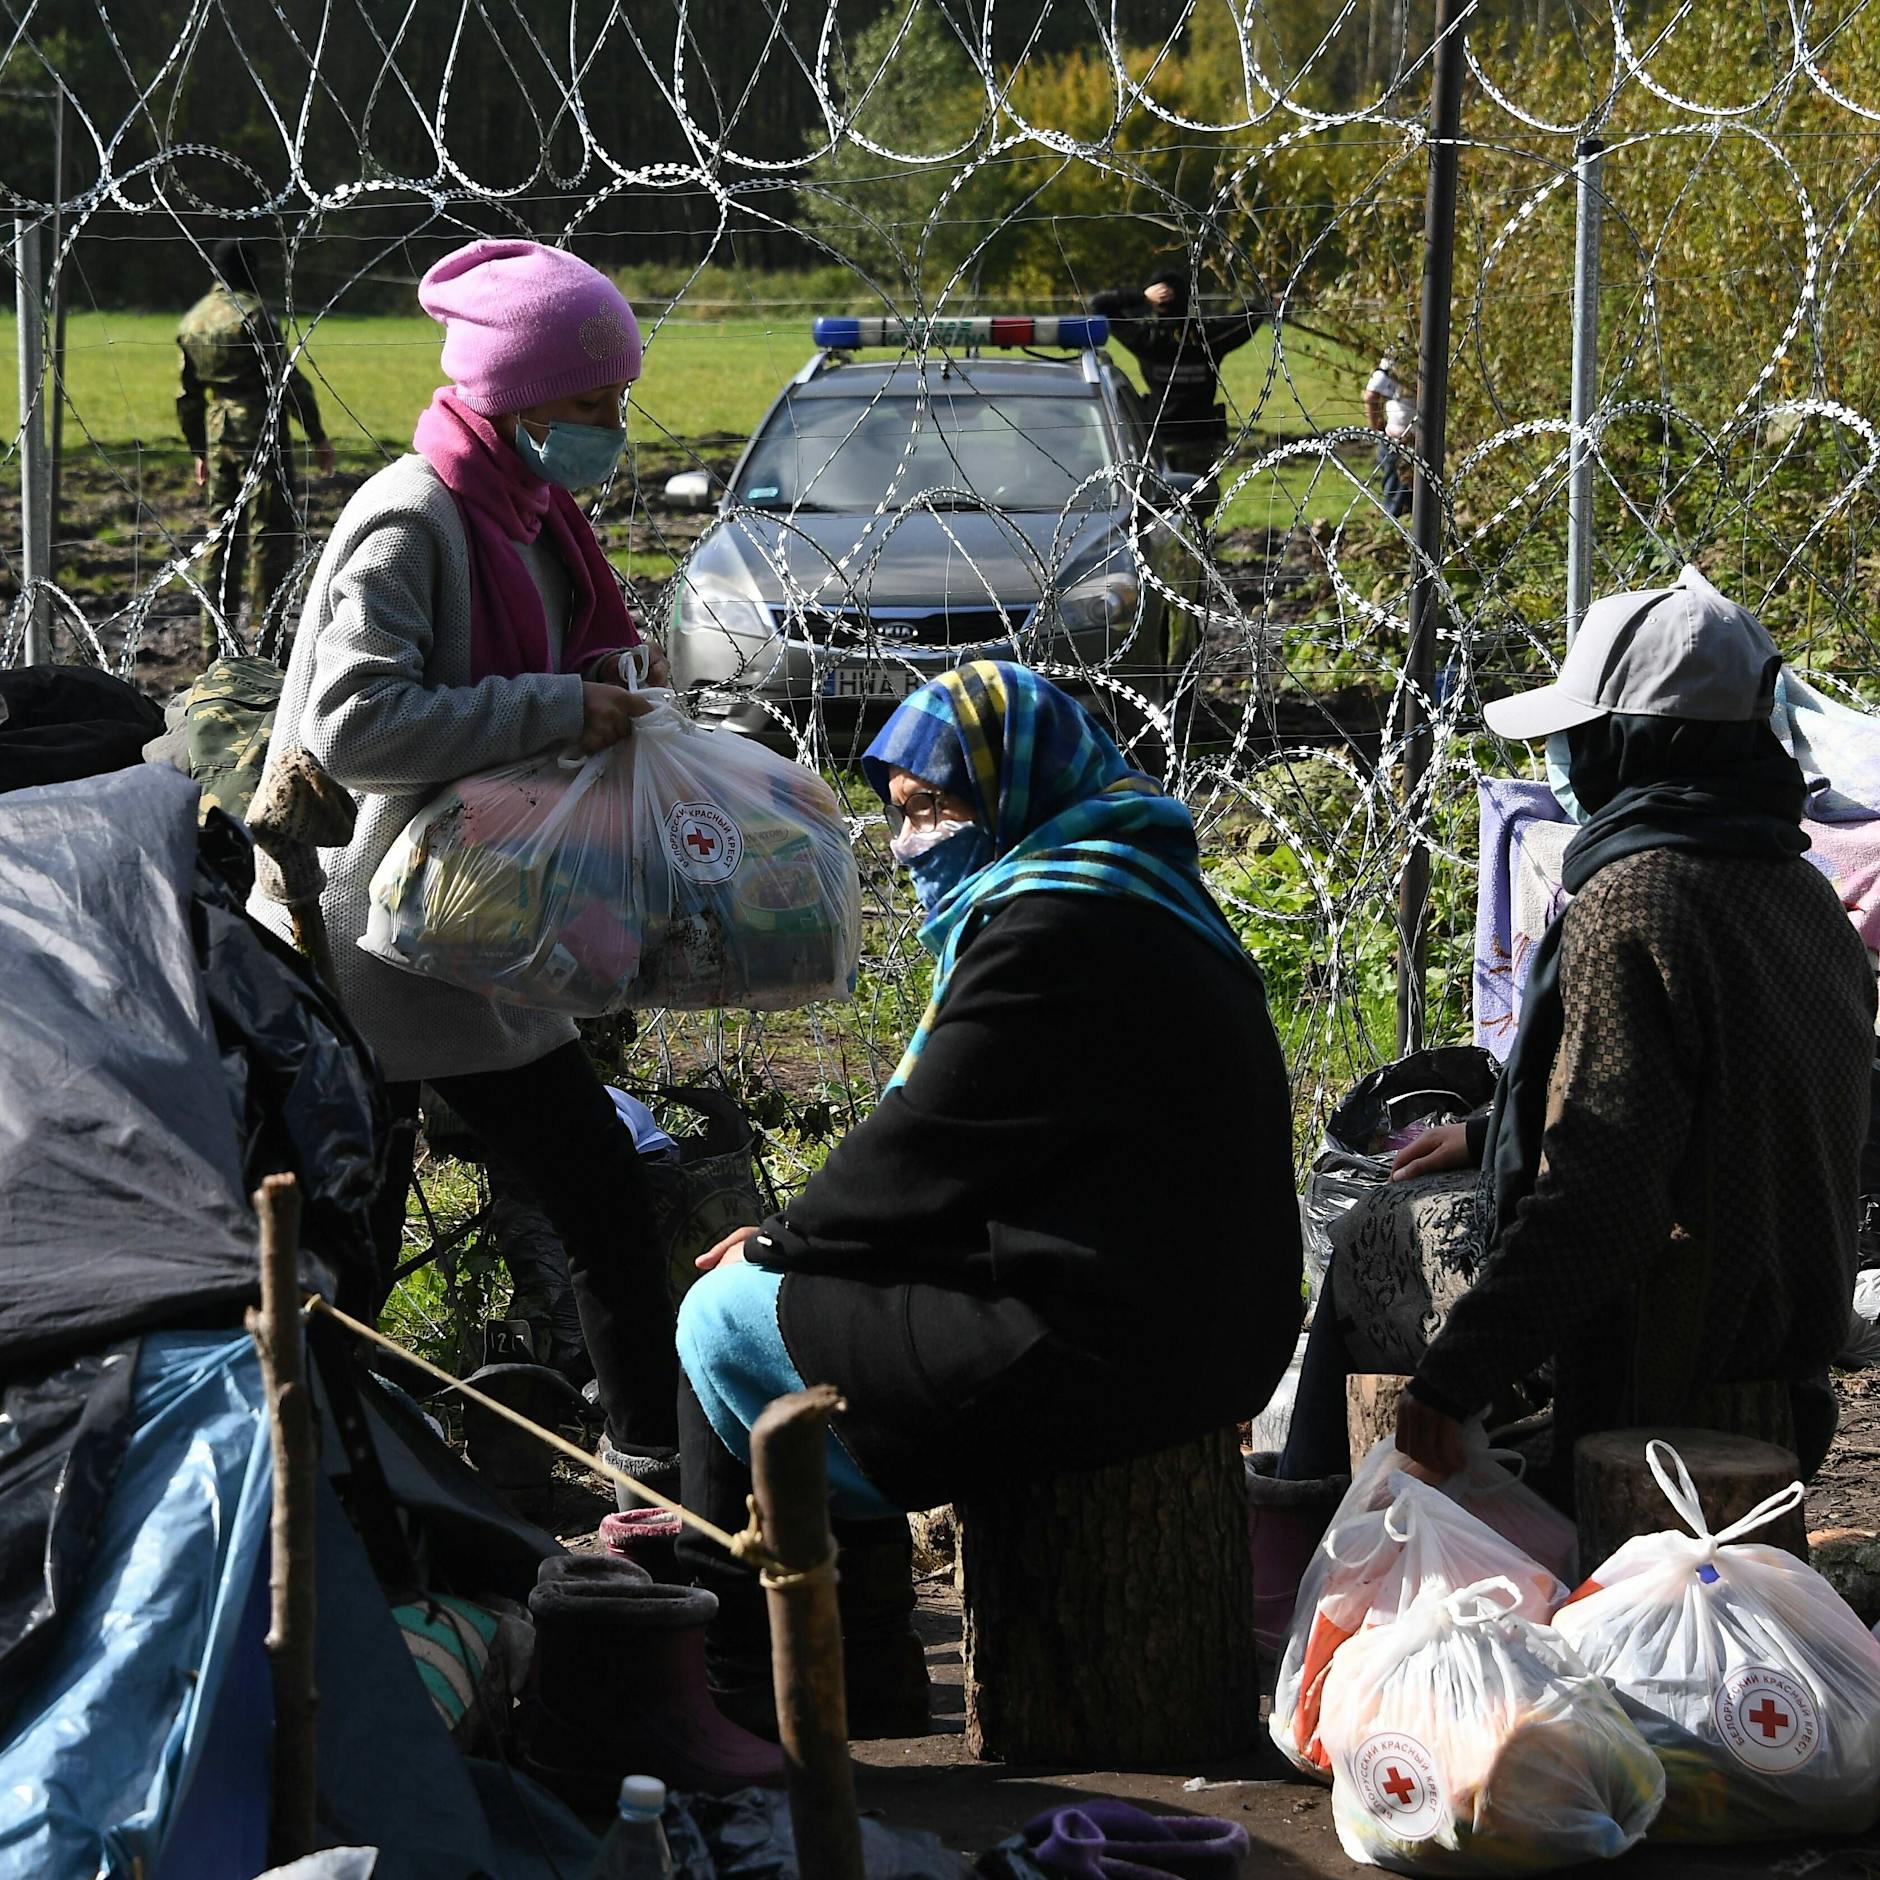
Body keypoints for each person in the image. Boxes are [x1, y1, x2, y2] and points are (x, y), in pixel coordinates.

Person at [672, 660, 1302, 1736]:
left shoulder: (1054, 928)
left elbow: (926, 1138)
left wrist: (775, 1243)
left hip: (1107, 1345)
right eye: (902, 813)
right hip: (1174, 1307)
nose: (914, 838)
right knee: (820, 1293)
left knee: (714, 1313)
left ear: (1016, 788)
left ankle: (725, 1670)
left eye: (939, 805)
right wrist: (807, 1244)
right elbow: (980, 1148)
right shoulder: (1127, 881)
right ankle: (845, 1654)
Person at [1270, 568, 1872, 1529]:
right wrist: (1492, 1129)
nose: (1565, 757)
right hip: (1788, 1326)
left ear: (1634, 742)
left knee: (1370, 1240)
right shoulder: (1803, 894)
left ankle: (1309, 1532)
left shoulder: (1635, 900)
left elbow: (1602, 1198)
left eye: (1581, 733)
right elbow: (1711, 1096)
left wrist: (1453, 1382)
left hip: (1670, 1337)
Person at [249, 238, 684, 1496]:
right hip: (374, 941)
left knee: (597, 1190)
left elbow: (542, 671)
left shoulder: (532, 511)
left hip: (477, 920)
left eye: (612, 403)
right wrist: (554, 706)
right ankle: (330, 1474)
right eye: (586, 408)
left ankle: (642, 1466)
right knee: (362, 1222)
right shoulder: (414, 516)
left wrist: (606, 687)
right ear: (510, 399)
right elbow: (354, 726)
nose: (608, 431)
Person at [177, 237, 335, 659]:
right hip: (261, 431)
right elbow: (286, 380)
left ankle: (215, 644)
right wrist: (316, 434)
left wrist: (199, 450)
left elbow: (188, 394)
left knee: (221, 537)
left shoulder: (194, 320)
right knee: (270, 535)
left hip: (217, 430)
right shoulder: (254, 314)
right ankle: (270, 642)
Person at [1089, 265, 1267, 518]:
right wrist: (1265, 301)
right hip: (1201, 438)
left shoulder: (1147, 338)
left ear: (1156, 302)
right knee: (1198, 507)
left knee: (1157, 510)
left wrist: (1141, 297)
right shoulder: (1208, 337)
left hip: (1158, 437)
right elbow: (1249, 316)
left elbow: (1100, 305)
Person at [1364, 354, 1414, 520]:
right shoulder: (1399, 355)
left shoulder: (1402, 355)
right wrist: (1378, 431)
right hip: (1400, 443)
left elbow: (1371, 396)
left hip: (1405, 440)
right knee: (1396, 509)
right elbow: (1371, 395)